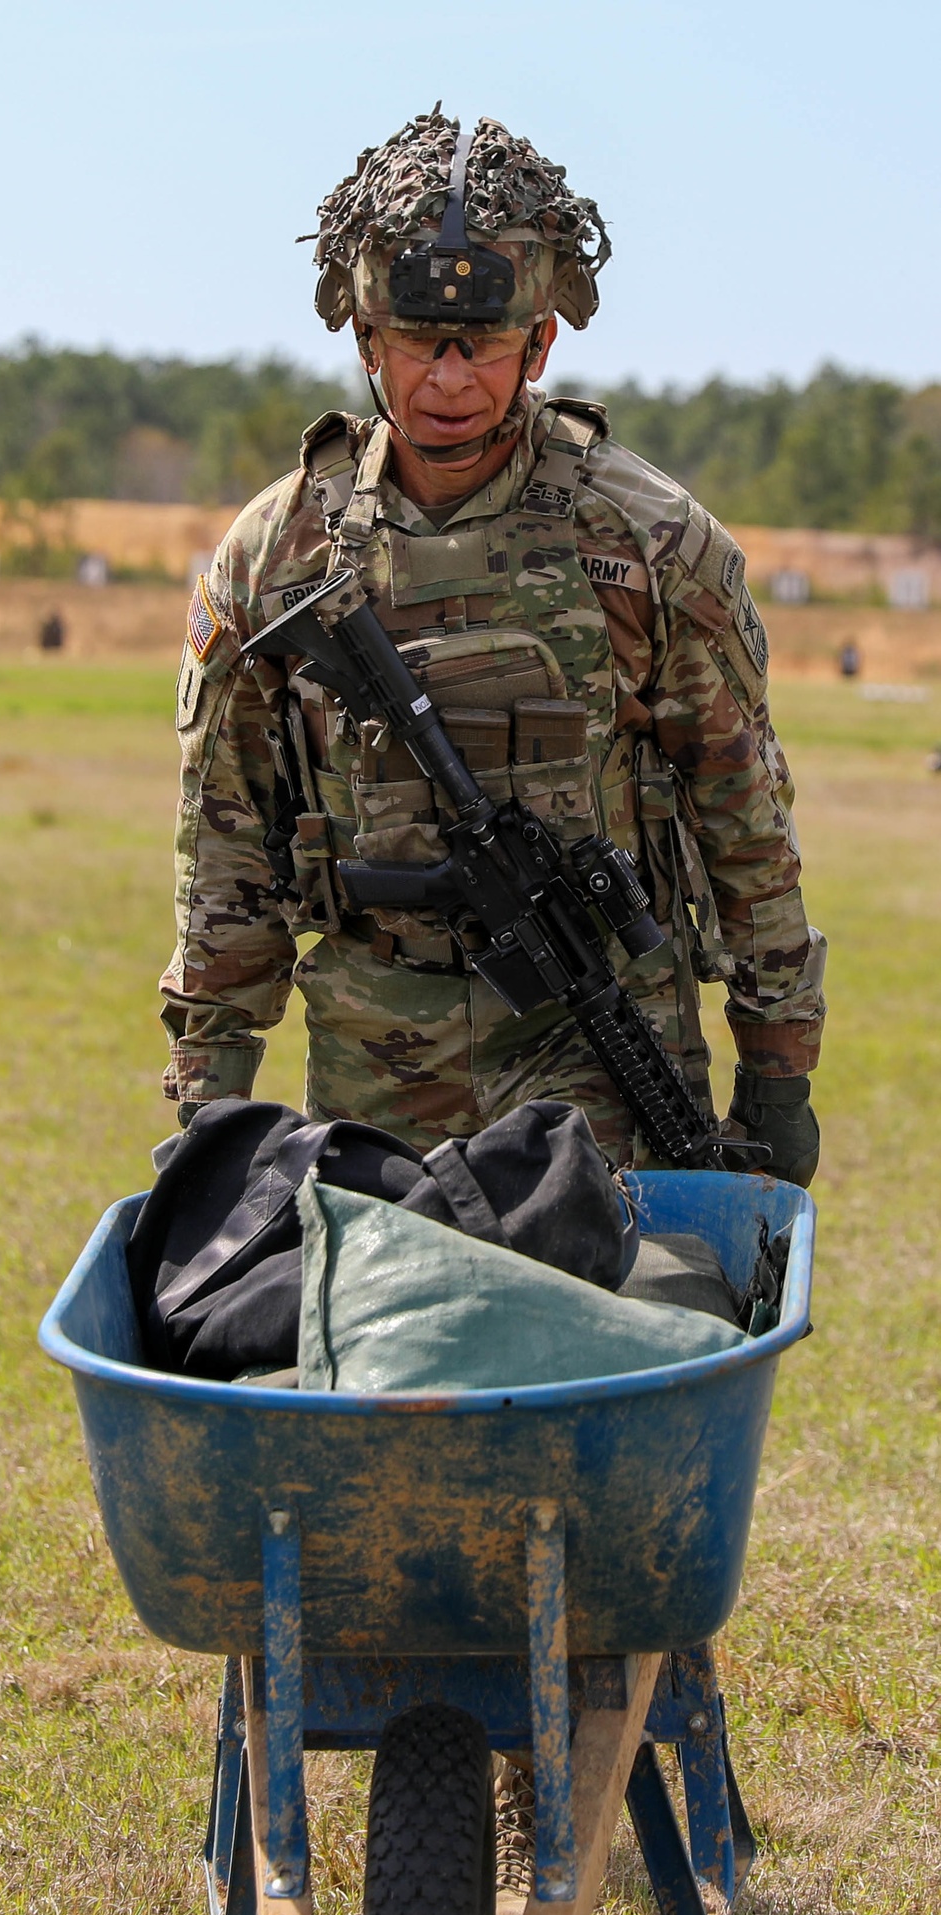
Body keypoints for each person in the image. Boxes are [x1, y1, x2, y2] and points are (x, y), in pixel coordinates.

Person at [159, 110, 825, 1187]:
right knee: (386, 1342)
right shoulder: (276, 554)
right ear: (368, 341)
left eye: (486, 345)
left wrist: (778, 1069)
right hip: (379, 1056)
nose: (451, 381)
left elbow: (743, 818)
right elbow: (227, 847)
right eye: (419, 342)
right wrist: (207, 1097)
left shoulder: (646, 540)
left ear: (542, 342)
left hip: (603, 1048)